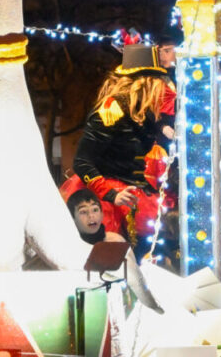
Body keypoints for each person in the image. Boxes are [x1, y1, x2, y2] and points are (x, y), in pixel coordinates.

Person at [71, 37, 174, 251]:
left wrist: (166, 130)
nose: (163, 88)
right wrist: (112, 195)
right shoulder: (111, 110)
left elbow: (153, 130)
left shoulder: (145, 113)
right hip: (108, 197)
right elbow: (82, 162)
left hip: (135, 193)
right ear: (146, 82)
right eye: (159, 81)